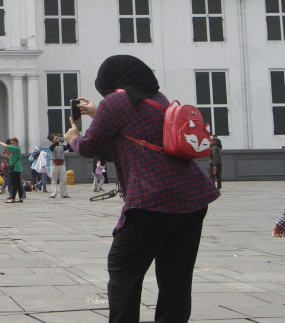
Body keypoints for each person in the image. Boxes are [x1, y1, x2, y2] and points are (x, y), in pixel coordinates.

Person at [65, 54, 220, 323]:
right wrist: (97, 111)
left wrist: (74, 138)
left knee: (123, 270)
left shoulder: (115, 102)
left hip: (153, 199)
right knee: (176, 278)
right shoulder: (157, 98)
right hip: (193, 199)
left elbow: (90, 148)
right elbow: (132, 130)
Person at [1, 138, 24, 203]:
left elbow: (6, 146)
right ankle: (20, 197)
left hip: (16, 168)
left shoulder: (16, 148)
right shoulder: (14, 150)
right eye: (11, 143)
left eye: (13, 143)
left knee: (14, 183)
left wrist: (0, 142)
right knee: (18, 183)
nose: (12, 145)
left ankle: (12, 198)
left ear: (17, 143)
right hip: (15, 167)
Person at [48, 134, 70, 198]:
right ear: (53, 140)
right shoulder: (52, 147)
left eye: (58, 138)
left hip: (62, 164)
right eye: (55, 138)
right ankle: (53, 193)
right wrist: (57, 142)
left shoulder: (62, 147)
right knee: (54, 180)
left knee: (63, 180)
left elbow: (68, 147)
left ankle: (64, 194)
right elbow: (51, 147)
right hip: (54, 164)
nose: (57, 139)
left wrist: (67, 139)